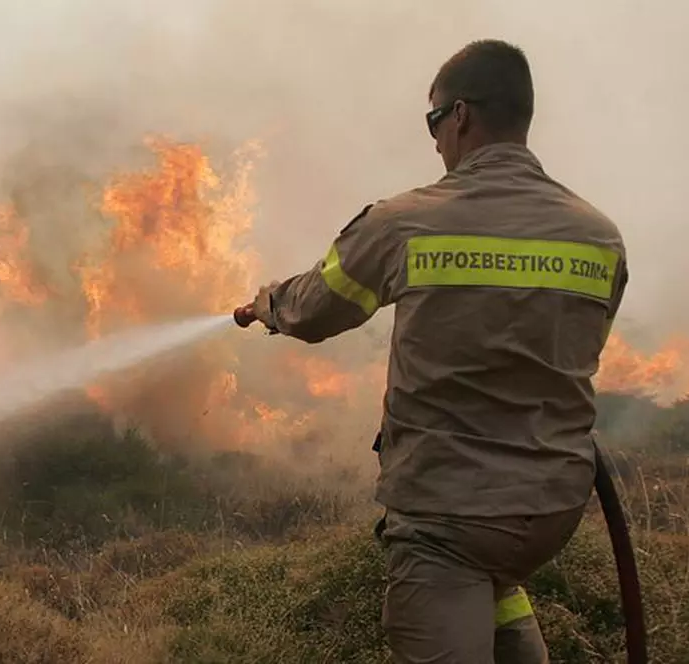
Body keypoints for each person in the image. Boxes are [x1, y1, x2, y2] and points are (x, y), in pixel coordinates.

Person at [238, 39, 629, 663]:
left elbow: (314, 310)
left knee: (459, 566)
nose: (434, 140)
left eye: (434, 121)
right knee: (492, 577)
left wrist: (269, 306)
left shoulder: (408, 222)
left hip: (449, 515)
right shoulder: (598, 234)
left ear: (461, 116)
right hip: (551, 508)